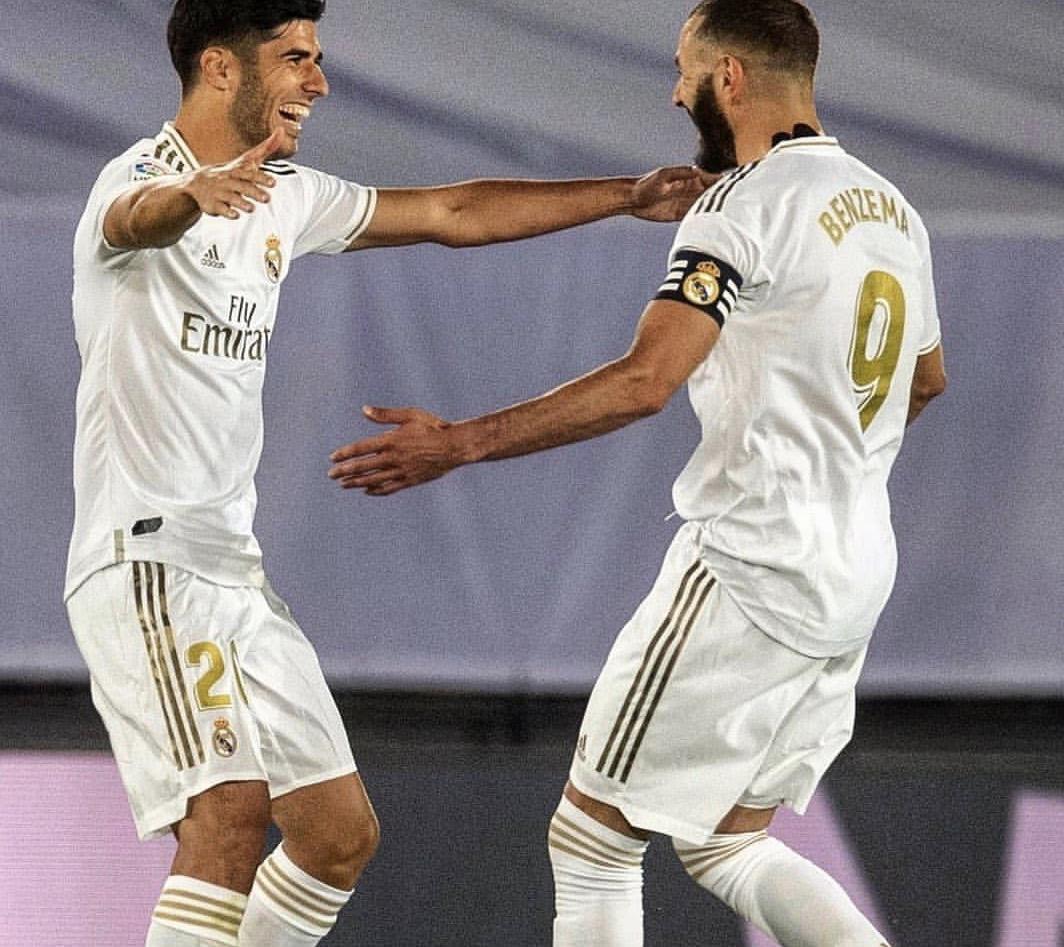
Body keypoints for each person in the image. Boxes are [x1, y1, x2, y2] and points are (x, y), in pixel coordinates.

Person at [64, 1, 712, 944]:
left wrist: (626, 196)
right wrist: (191, 197)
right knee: (227, 817)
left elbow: (452, 212)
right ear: (219, 67)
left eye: (317, 58)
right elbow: (134, 222)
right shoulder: (136, 179)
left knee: (336, 836)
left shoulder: (285, 194)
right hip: (146, 563)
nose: (318, 82)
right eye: (295, 58)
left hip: (231, 571)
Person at [328, 0, 947, 944]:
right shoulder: (893, 210)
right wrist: (830, 448)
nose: (675, 91)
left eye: (685, 70)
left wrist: (459, 442)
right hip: (855, 570)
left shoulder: (742, 206)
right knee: (727, 842)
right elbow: (927, 380)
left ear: (730, 78)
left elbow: (644, 382)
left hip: (750, 568)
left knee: (592, 839)